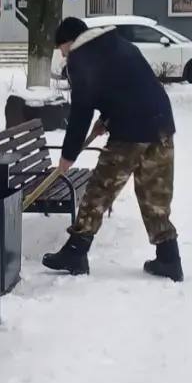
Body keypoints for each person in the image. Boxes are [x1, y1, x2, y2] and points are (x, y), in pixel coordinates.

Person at [42, 15, 183, 281]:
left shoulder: (80, 59)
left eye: (61, 48)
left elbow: (81, 111)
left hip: (129, 132)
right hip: (161, 124)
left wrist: (67, 156)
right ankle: (169, 258)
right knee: (156, 194)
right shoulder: (119, 44)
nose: (62, 55)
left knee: (99, 190)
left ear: (69, 42)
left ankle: (75, 252)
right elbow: (129, 86)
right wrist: (106, 118)